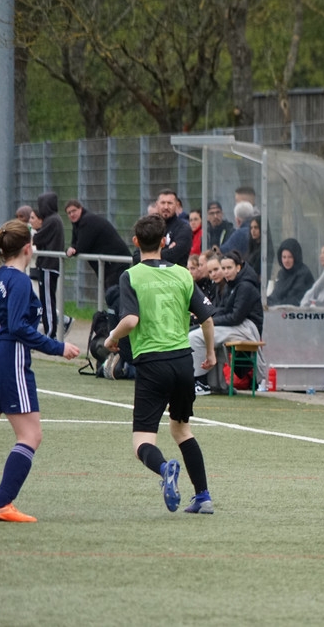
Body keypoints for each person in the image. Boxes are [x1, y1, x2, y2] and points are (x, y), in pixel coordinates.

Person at [104, 214, 217, 514]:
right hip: (183, 362)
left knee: (142, 442)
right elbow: (206, 318)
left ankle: (166, 468)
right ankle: (203, 496)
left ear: (136, 241)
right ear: (165, 240)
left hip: (153, 364)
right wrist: (212, 353)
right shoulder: (182, 274)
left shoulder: (132, 275)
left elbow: (130, 320)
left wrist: (111, 338)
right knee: (182, 430)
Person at [0, 220, 80, 522]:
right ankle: (2, 504)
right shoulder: (18, 281)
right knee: (30, 435)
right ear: (28, 248)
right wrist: (58, 347)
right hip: (8, 358)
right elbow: (17, 327)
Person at [190, 250, 263, 394]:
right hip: (237, 326)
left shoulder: (245, 286)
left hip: (247, 327)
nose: (226, 272)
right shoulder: (231, 284)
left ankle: (200, 382)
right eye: (224, 268)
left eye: (229, 268)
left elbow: (236, 317)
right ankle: (216, 384)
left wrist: (211, 322)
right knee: (197, 332)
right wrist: (205, 318)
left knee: (196, 337)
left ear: (238, 267)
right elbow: (223, 310)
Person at [65, 199, 131, 290]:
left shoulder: (87, 221)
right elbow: (75, 242)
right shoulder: (78, 224)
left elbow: (82, 247)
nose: (72, 214)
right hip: (109, 263)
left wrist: (72, 251)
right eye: (69, 213)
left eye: (74, 211)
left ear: (80, 209)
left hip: (115, 261)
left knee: (113, 293)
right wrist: (71, 249)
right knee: (111, 292)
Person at [30, 193, 65, 339]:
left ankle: (51, 332)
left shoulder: (52, 221)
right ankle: (50, 330)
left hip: (49, 265)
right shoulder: (54, 220)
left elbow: (38, 238)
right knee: (46, 300)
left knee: (48, 301)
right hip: (48, 265)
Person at [150, 190, 192, 267]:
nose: (166, 207)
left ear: (177, 205)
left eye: (170, 203)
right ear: (157, 205)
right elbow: (136, 255)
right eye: (163, 203)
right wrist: (166, 249)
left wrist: (148, 255)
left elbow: (174, 255)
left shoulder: (183, 228)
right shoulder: (149, 227)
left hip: (175, 276)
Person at [267, 239, 314, 307]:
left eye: (290, 257)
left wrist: (276, 305)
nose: (286, 261)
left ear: (296, 257)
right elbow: (275, 295)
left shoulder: (303, 273)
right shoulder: (282, 273)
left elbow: (294, 300)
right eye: (284, 257)